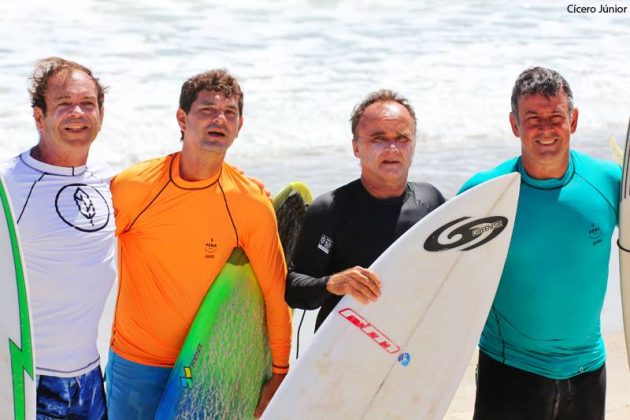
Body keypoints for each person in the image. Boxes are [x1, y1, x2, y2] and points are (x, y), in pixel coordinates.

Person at [105, 69, 291, 419]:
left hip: (210, 365)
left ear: (240, 126)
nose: (219, 119)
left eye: (230, 113)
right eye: (207, 109)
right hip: (137, 361)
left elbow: (275, 293)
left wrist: (279, 372)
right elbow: (83, 251)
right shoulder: (135, 187)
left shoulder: (250, 203)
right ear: (182, 118)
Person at [459, 67, 620, 420]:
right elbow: (446, 278)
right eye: (532, 118)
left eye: (555, 117)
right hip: (509, 367)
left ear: (573, 120)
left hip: (588, 371)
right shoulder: (485, 194)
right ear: (515, 124)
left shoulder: (611, 184)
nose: (545, 129)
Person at [1, 57, 114, 419]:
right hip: (27, 379)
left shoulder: (108, 181)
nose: (78, 113)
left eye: (87, 104)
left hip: (90, 377)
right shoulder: (10, 185)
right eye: (64, 105)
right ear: (39, 116)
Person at [285, 89, 445, 331]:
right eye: (378, 138)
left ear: (413, 145)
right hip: (343, 349)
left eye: (402, 138)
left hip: (413, 345)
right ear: (356, 148)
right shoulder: (329, 209)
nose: (392, 148)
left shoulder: (431, 201)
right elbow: (293, 290)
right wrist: (333, 283)